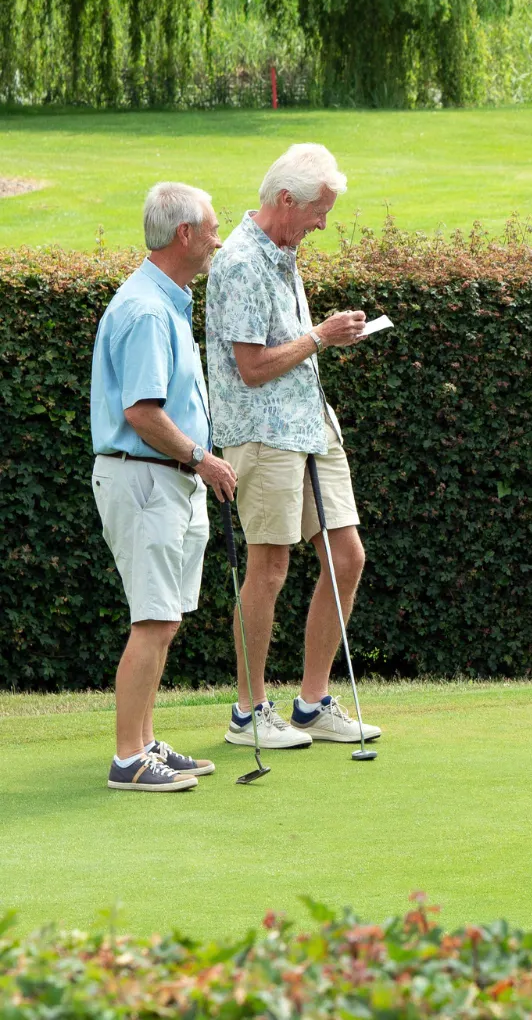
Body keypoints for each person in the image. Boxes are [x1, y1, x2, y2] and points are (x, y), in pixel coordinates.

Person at [206, 143, 382, 746]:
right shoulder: (238, 262)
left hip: (310, 424)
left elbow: (290, 344)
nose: (322, 224)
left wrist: (324, 339)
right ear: (286, 199)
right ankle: (248, 712)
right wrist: (319, 337)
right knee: (270, 567)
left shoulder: (282, 251)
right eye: (317, 211)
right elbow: (251, 367)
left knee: (347, 555)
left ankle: (312, 702)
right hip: (262, 433)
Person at [89, 182, 237, 791]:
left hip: (166, 481)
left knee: (166, 618)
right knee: (152, 620)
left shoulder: (166, 299)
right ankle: (128, 759)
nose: (216, 240)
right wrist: (203, 458)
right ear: (185, 235)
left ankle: (145, 742)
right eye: (211, 229)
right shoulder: (148, 309)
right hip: (146, 478)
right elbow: (142, 413)